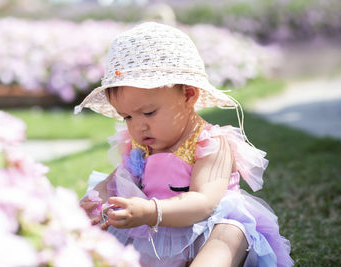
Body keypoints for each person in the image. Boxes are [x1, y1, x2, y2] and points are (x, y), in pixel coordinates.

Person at [75, 22, 293, 267]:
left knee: (231, 232)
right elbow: (113, 182)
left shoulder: (210, 143)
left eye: (148, 112)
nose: (138, 126)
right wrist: (98, 199)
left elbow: (203, 203)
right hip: (153, 237)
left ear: (189, 95)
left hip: (201, 232)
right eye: (127, 117)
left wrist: (150, 211)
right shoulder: (140, 147)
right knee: (100, 237)